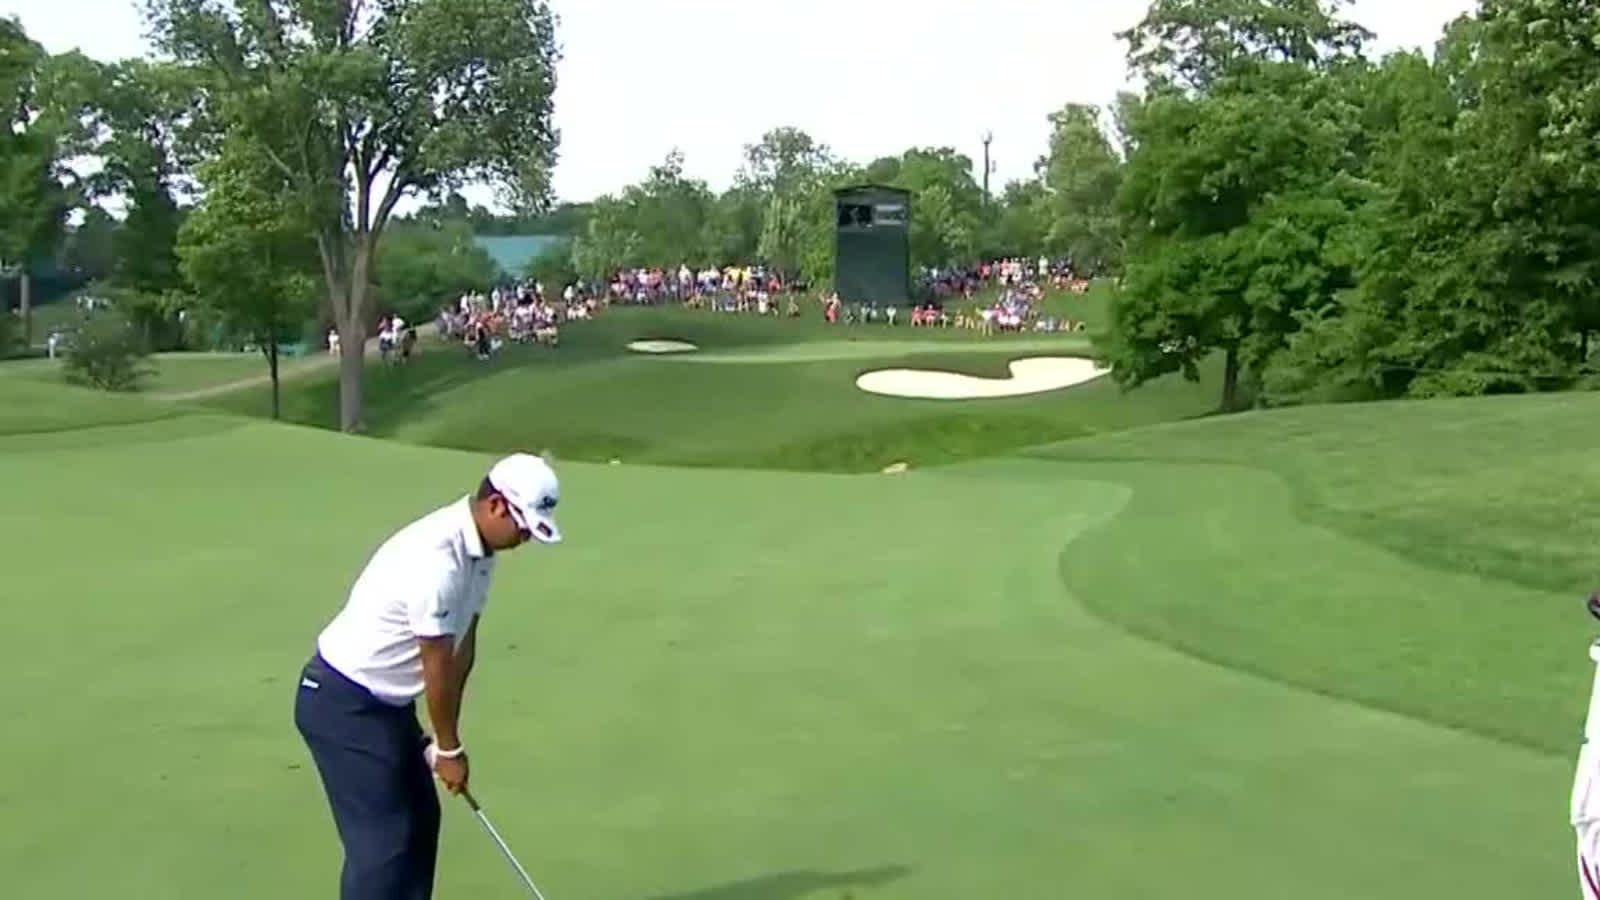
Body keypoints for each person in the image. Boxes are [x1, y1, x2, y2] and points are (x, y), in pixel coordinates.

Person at [293, 453, 563, 900]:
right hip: (341, 703)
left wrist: (442, 743)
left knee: (420, 820)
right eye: (523, 526)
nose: (524, 539)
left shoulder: (482, 553)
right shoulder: (438, 558)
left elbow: (462, 650)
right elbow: (434, 662)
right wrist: (450, 747)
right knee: (384, 844)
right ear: (496, 505)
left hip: (385, 708)